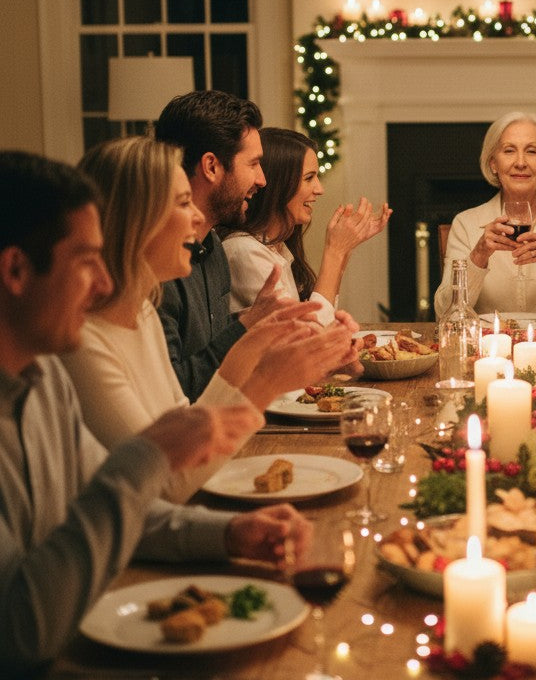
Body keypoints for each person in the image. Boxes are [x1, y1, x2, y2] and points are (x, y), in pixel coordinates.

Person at [0, 150, 274, 680]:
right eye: (85, 261)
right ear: (16, 271)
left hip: (72, 667)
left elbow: (124, 506)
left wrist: (230, 534)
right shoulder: (69, 362)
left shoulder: (45, 379)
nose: (103, 284)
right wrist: (149, 455)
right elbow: (23, 630)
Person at [59, 136, 360, 504]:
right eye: (183, 203)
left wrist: (258, 341)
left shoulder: (143, 312)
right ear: (137, 221)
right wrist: (266, 382)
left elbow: (190, 419)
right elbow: (165, 485)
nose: (199, 217)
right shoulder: (84, 344)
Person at [155, 90, 295, 402]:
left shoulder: (212, 246)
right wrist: (249, 325)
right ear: (211, 166)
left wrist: (261, 322)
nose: (262, 180)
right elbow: (177, 390)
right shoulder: (159, 263)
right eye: (253, 164)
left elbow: (209, 343)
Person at [433, 112, 536, 321]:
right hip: (488, 342)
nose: (520, 162)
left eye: (531, 151)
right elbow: (445, 313)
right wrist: (478, 256)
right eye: (509, 151)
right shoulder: (466, 223)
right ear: (493, 163)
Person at [221, 126, 391, 324]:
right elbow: (308, 332)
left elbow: (325, 321)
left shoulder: (276, 247)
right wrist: (335, 251)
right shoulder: (244, 251)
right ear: (278, 184)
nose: (320, 189)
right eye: (309, 178)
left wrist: (345, 249)